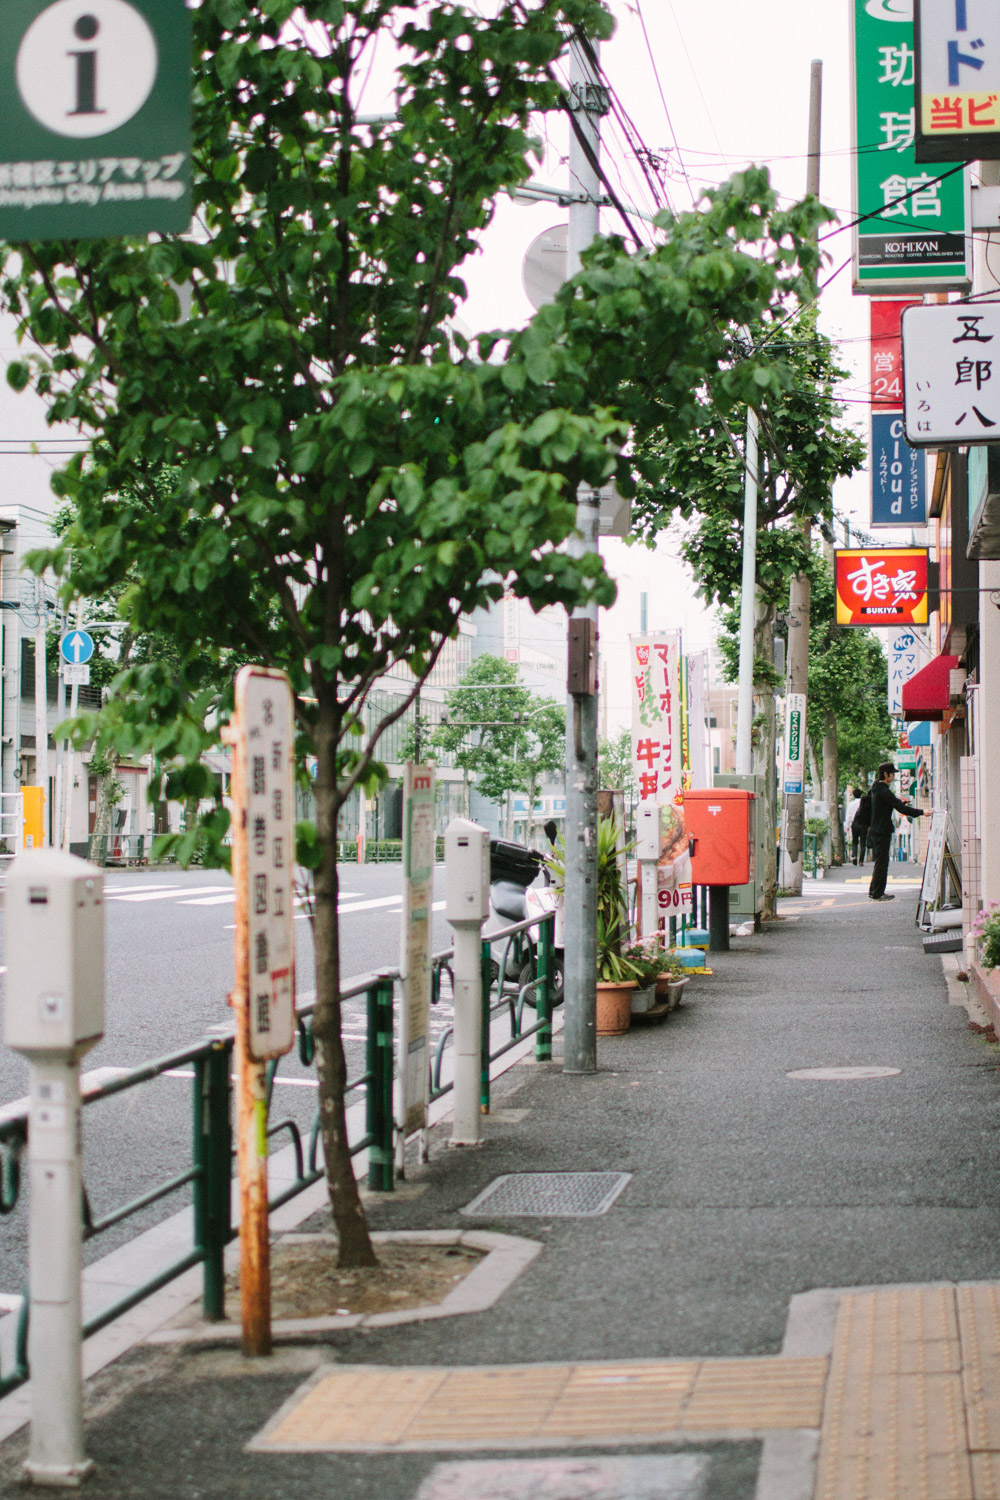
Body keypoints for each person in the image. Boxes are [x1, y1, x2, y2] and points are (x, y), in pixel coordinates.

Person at [868, 762, 923, 901]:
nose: (893, 776)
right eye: (892, 773)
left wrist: (900, 804)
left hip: (876, 829)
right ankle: (878, 892)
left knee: (879, 862)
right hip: (882, 831)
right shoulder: (884, 790)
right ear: (886, 774)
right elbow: (900, 808)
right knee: (882, 862)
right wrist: (921, 812)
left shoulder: (875, 789)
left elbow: (892, 804)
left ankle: (874, 890)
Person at [846, 785, 870, 866]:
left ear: (853, 795)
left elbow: (848, 816)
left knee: (854, 842)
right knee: (863, 843)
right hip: (864, 824)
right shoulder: (865, 803)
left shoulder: (851, 804)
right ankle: (861, 861)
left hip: (855, 824)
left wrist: (847, 825)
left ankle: (855, 856)